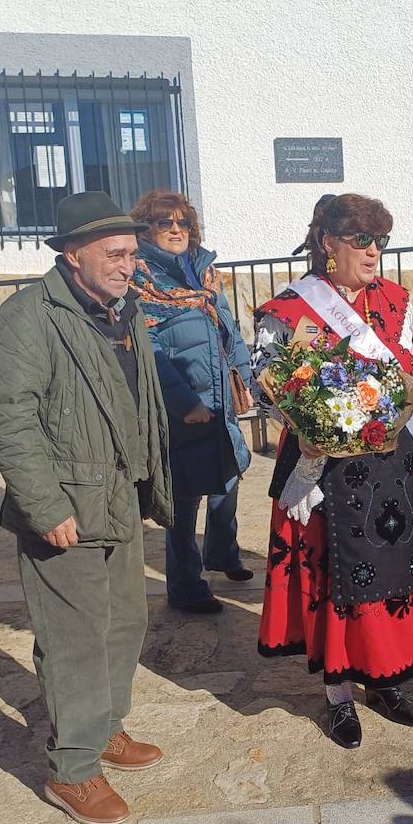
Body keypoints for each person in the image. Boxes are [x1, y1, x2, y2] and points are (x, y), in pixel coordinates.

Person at [0, 191, 173, 824]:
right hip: (65, 506)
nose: (130, 265)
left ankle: (105, 729)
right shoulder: (28, 318)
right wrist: (43, 505)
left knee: (123, 625)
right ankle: (73, 769)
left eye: (131, 253)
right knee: (75, 640)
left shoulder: (123, 310)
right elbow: (10, 421)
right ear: (72, 256)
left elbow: (136, 400)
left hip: (117, 497)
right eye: (115, 254)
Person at [252, 193, 413, 749]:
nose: (374, 253)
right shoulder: (288, 312)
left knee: (394, 568)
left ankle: (386, 678)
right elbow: (266, 383)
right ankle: (340, 694)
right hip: (328, 471)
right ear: (328, 244)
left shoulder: (393, 300)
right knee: (337, 580)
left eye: (381, 242)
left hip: (393, 463)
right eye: (362, 241)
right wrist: (310, 420)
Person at [130, 190, 254, 614]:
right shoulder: (140, 280)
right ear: (146, 228)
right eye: (165, 222)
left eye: (183, 222)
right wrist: (184, 403)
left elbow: (228, 328)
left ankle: (222, 551)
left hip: (220, 398)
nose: (176, 230)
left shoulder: (202, 272)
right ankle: (185, 585)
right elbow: (149, 352)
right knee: (183, 500)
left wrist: (247, 376)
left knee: (230, 473)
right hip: (183, 409)